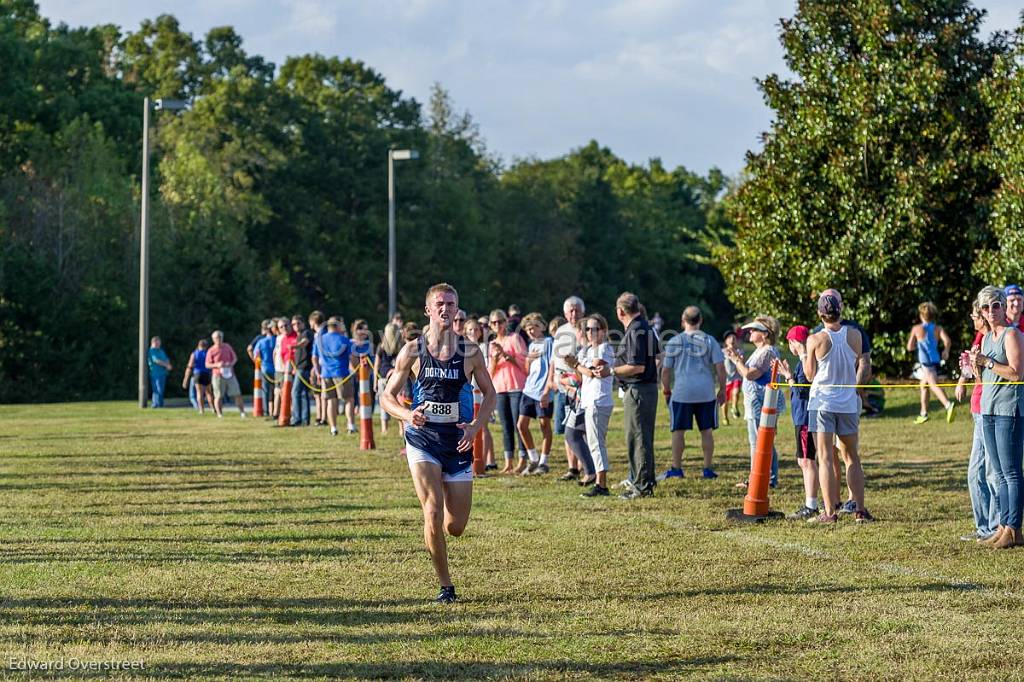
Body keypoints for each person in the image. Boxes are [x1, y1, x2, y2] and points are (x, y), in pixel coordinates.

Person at [380, 283, 497, 604]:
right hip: (423, 439)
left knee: (455, 526)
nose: (446, 309)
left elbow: (491, 395)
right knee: (431, 510)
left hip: (458, 442)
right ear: (428, 311)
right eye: (439, 304)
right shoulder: (412, 351)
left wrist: (475, 427)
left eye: (451, 303)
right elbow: (386, 396)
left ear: (457, 309)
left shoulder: (470, 351)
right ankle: (446, 585)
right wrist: (406, 414)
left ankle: (442, 533)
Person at [806, 293, 871, 523]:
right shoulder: (855, 335)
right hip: (846, 403)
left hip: (822, 403)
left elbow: (809, 374)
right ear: (840, 310)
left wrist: (804, 354)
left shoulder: (815, 339)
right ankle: (860, 510)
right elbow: (860, 363)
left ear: (820, 314)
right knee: (852, 457)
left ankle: (829, 513)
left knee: (824, 458)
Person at [970, 285, 1024, 548]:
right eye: (985, 307)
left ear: (1003, 307)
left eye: (995, 305)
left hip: (1008, 410)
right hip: (988, 409)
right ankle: (1003, 525)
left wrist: (989, 362)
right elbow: (984, 379)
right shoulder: (987, 338)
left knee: (1012, 472)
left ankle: (1014, 528)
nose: (991, 311)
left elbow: (1016, 373)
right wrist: (975, 366)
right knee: (999, 474)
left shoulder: (1011, 334)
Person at [659, 306, 726, 481]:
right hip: (706, 392)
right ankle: (707, 468)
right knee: (706, 431)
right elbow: (720, 367)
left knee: (678, 431)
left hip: (682, 392)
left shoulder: (675, 341)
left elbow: (666, 371)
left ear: (683, 321)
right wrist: (723, 389)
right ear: (700, 320)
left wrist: (666, 390)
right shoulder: (710, 340)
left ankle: (677, 468)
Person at [724, 317, 784, 489]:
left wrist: (737, 361)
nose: (750, 332)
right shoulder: (762, 350)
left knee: (762, 442)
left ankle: (766, 479)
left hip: (762, 404)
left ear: (765, 334)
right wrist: (737, 359)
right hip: (756, 403)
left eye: (754, 330)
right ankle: (758, 477)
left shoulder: (768, 351)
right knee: (758, 442)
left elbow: (750, 374)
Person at [613, 292, 662, 500]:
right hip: (647, 389)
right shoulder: (646, 327)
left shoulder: (635, 330)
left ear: (620, 311)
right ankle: (644, 480)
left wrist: (612, 371)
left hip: (639, 390)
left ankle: (641, 486)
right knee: (643, 437)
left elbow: (637, 366)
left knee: (638, 438)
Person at [957, 301, 998, 541]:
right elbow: (974, 372)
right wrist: (967, 370)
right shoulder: (979, 338)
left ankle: (992, 527)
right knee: (976, 472)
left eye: (975, 315)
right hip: (977, 408)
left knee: (987, 471)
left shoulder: (989, 339)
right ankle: (985, 526)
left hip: (986, 409)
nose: (973, 319)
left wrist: (975, 365)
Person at [566, 313, 615, 497]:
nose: (590, 332)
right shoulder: (585, 350)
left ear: (603, 331)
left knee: (596, 443)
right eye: (587, 328)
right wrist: (574, 368)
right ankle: (596, 478)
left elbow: (594, 372)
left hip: (598, 400)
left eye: (595, 328)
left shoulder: (604, 348)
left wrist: (575, 364)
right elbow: (580, 375)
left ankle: (601, 484)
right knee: (588, 441)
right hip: (588, 400)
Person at [778, 326, 819, 520]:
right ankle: (810, 502)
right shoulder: (801, 362)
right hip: (800, 417)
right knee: (802, 460)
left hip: (805, 417)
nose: (789, 346)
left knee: (806, 460)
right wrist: (789, 375)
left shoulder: (805, 361)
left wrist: (788, 378)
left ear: (795, 342)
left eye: (789, 342)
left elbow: (804, 392)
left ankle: (811, 505)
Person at [548, 296, 586, 481]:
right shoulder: (561, 331)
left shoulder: (587, 329)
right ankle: (572, 467)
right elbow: (554, 360)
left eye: (577, 309)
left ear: (582, 311)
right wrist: (551, 381)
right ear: (564, 313)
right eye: (570, 310)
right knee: (566, 427)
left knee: (580, 428)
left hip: (580, 384)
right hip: (562, 386)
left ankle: (584, 465)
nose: (573, 313)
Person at [488, 309, 528, 474]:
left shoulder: (515, 338)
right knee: (506, 427)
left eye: (500, 321)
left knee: (518, 425)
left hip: (516, 386)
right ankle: (508, 462)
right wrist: (496, 359)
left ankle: (522, 460)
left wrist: (506, 354)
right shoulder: (492, 345)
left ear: (506, 322)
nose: (498, 325)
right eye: (494, 322)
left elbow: (524, 364)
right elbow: (490, 372)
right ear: (491, 325)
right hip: (500, 388)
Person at [517, 314, 554, 475]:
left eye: (534, 327)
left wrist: (547, 391)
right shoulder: (531, 345)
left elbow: (552, 367)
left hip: (543, 391)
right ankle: (533, 458)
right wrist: (527, 360)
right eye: (528, 328)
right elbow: (527, 370)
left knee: (544, 426)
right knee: (521, 425)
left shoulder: (549, 343)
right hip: (529, 390)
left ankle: (544, 462)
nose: (531, 331)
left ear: (542, 327)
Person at [907, 301, 955, 424]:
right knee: (924, 385)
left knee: (933, 384)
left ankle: (948, 405)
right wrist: (946, 351)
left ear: (921, 315)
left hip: (925, 363)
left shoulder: (917, 329)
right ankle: (923, 413)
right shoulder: (938, 329)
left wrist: (918, 344)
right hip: (935, 360)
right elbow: (947, 341)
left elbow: (909, 347)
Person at [463, 318, 495, 469]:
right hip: (469, 394)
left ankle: (484, 461)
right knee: (470, 426)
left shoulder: (483, 347)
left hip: (481, 393)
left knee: (482, 427)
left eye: (476, 329)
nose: (473, 332)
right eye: (470, 330)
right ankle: (474, 462)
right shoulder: (463, 349)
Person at [317, 317, 353, 437]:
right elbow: (352, 356)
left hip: (325, 373)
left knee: (331, 401)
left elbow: (314, 357)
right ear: (337, 326)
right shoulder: (343, 339)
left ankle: (333, 428)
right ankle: (351, 425)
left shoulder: (320, 339)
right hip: (341, 372)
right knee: (348, 399)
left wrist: (318, 372)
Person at [206, 330, 246, 418]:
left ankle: (242, 412)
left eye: (220, 337)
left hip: (230, 374)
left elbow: (234, 358)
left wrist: (230, 363)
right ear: (213, 339)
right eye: (217, 337)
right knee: (218, 395)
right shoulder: (211, 350)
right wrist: (217, 365)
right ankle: (219, 414)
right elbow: (207, 364)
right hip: (217, 375)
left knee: (237, 393)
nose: (219, 339)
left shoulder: (227, 347)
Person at [376, 323, 404, 436]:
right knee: (398, 404)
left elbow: (377, 365)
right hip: (397, 378)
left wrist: (374, 381)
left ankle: (384, 429)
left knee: (384, 404)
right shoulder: (402, 347)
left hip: (383, 378)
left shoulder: (381, 347)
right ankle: (401, 429)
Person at [289, 316, 314, 426]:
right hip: (299, 367)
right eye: (293, 324)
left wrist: (294, 346)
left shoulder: (306, 333)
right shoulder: (298, 336)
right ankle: (304, 420)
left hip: (304, 367)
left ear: (303, 323)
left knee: (295, 392)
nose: (296, 326)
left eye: (298, 323)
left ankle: (297, 419)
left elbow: (305, 342)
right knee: (303, 393)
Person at [182, 339, 212, 414]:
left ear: (198, 345)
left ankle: (201, 410)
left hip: (198, 373)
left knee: (199, 393)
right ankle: (213, 408)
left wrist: (185, 379)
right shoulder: (208, 353)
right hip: (207, 373)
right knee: (209, 392)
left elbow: (189, 366)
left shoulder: (195, 353)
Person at [253, 322, 276, 419]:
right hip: (277, 369)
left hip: (265, 368)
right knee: (276, 391)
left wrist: (259, 363)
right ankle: (275, 410)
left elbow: (256, 355)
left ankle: (266, 411)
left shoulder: (261, 342)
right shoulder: (277, 340)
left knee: (265, 391)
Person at [307, 311, 326, 426]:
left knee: (321, 394)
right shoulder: (323, 333)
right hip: (322, 366)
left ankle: (322, 417)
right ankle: (320, 416)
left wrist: (316, 370)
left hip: (321, 367)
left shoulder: (319, 335)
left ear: (313, 321)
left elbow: (315, 356)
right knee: (318, 394)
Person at [722, 330, 743, 422]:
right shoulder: (722, 352)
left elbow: (742, 363)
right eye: (729, 338)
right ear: (726, 341)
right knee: (725, 400)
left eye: (734, 338)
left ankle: (734, 406)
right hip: (726, 379)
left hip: (736, 376)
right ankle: (725, 417)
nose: (732, 340)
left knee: (736, 391)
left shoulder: (739, 351)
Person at [147, 336, 172, 408]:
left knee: (161, 389)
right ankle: (156, 404)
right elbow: (156, 360)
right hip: (155, 373)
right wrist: (166, 365)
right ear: (153, 343)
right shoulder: (152, 351)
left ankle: (160, 404)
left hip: (163, 373)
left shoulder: (161, 351)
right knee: (157, 389)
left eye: (159, 343)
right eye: (156, 343)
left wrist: (168, 364)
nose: (158, 345)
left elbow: (166, 358)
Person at [272, 318, 288, 418]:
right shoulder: (278, 338)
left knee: (284, 392)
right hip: (277, 369)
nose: (283, 328)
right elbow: (275, 352)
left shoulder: (287, 338)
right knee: (277, 391)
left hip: (284, 369)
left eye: (285, 326)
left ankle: (285, 413)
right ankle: (275, 413)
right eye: (281, 327)